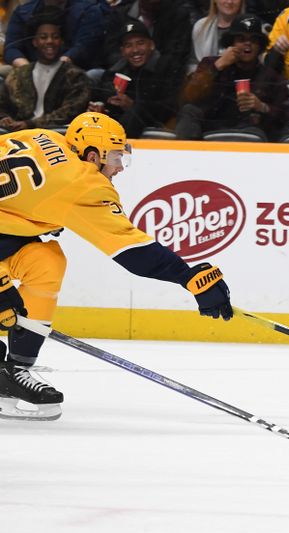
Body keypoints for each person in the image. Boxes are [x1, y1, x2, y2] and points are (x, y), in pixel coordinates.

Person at [0, 112, 233, 421]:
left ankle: (12, 373)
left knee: (46, 262)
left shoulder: (41, 136)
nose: (120, 167)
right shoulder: (82, 183)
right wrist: (186, 276)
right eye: (114, 157)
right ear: (91, 155)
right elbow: (132, 250)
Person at [176, 14, 289, 141]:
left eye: (253, 40)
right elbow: (188, 97)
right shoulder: (210, 63)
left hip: (250, 133)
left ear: (260, 46)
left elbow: (288, 118)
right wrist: (217, 66)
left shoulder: (270, 76)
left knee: (255, 131)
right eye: (241, 39)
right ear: (231, 43)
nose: (247, 44)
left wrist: (262, 107)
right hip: (208, 129)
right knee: (189, 111)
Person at [0, 6, 90, 132]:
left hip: (58, 132)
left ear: (61, 41)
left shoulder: (76, 76)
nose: (49, 41)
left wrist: (30, 124)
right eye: (43, 37)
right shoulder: (18, 74)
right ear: (35, 42)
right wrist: (4, 118)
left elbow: (70, 111)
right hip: (18, 133)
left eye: (55, 37)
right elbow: (2, 104)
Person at [90, 19, 184, 138]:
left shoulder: (167, 66)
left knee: (136, 112)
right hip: (123, 124)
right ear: (122, 51)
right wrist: (101, 107)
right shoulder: (115, 71)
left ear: (151, 45)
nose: (135, 50)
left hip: (161, 123)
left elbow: (172, 106)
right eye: (128, 45)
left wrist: (133, 105)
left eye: (140, 43)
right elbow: (104, 99)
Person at [3, 0, 109, 70]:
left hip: (76, 71)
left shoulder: (88, 10)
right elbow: (12, 47)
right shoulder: (23, 12)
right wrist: (28, 70)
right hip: (31, 69)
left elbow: (84, 47)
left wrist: (54, 70)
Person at [101, 0, 193, 74]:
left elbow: (176, 55)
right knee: (96, 75)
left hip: (161, 76)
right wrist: (132, 64)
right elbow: (111, 52)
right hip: (126, 71)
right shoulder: (120, 15)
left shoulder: (177, 14)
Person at [188, 0, 246, 74]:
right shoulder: (200, 27)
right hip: (206, 79)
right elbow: (193, 66)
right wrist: (218, 64)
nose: (229, 2)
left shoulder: (251, 27)